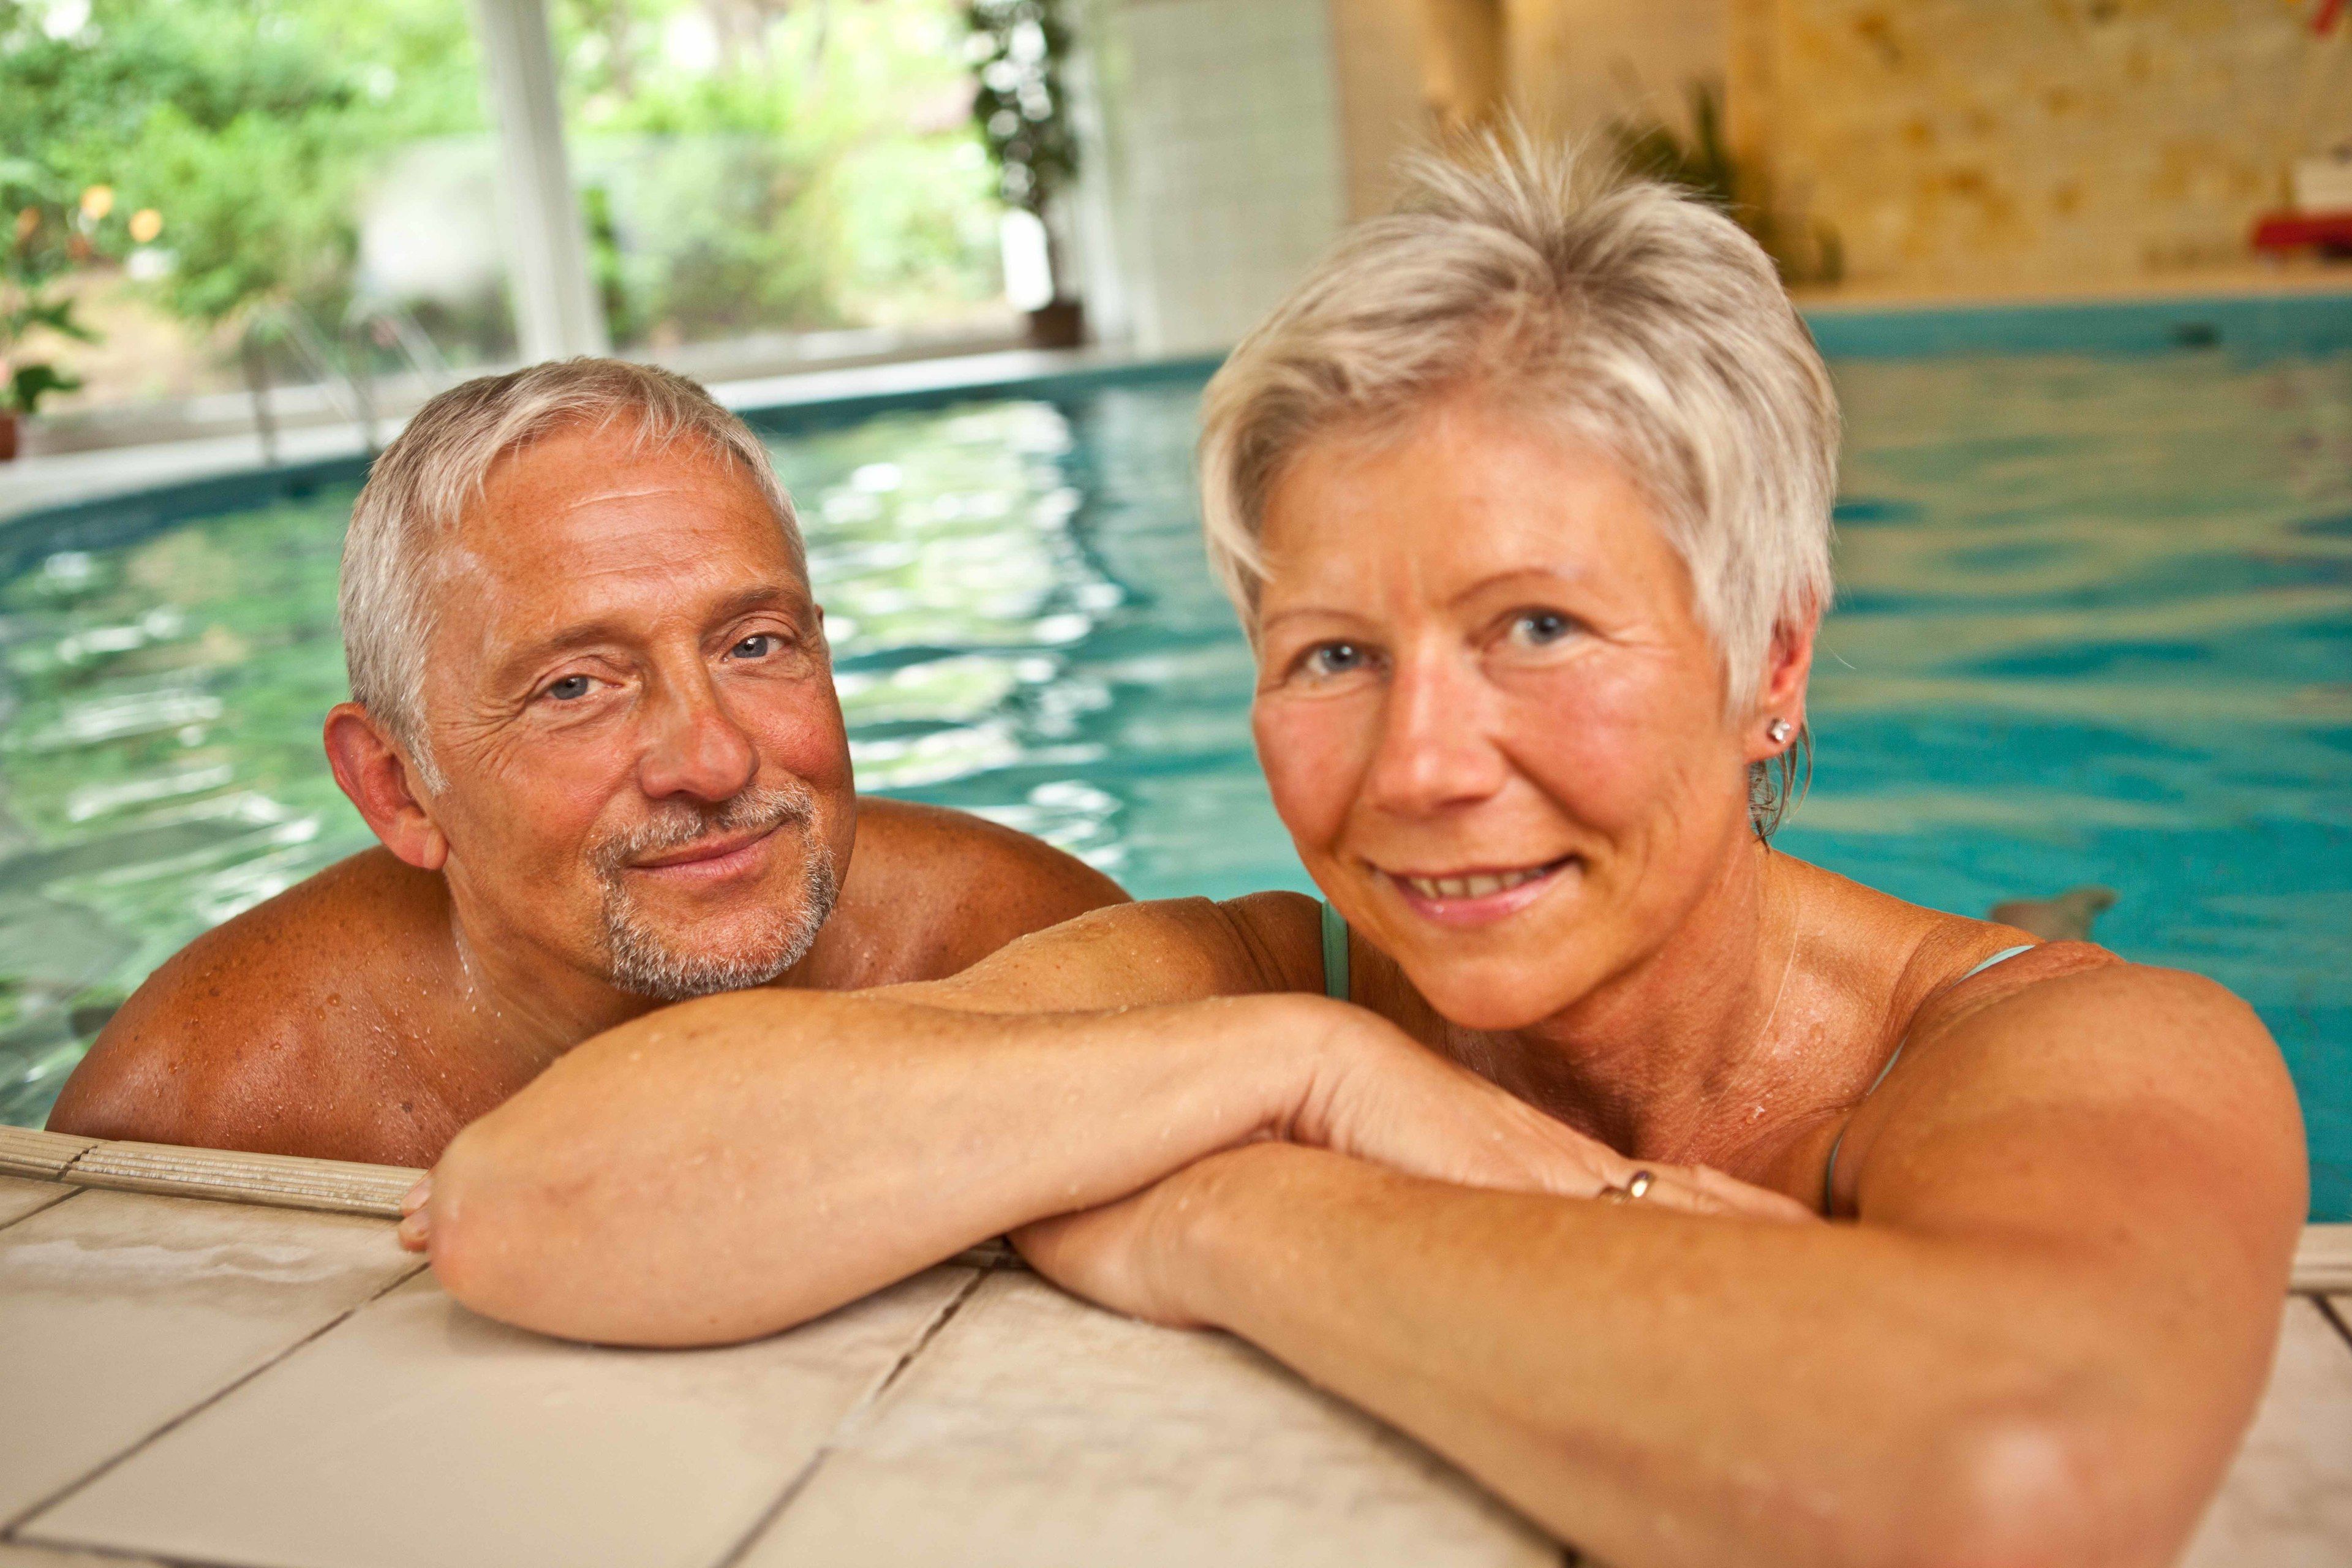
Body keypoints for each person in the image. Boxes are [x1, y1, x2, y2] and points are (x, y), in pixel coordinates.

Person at [400, 143, 2305, 1567]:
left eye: (1537, 627)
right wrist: (1307, 1063)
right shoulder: (1248, 983)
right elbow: (534, 1205)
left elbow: (2007, 1483)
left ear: (1773, 663)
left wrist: (1232, 1219)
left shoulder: (2059, 1050)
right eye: (1331, 655)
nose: (1421, 769)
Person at [47, 361, 1125, 1166]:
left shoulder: (1026, 952)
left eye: (755, 645)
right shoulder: (198, 1113)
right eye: (574, 688)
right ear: (397, 787)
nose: (714, 759)